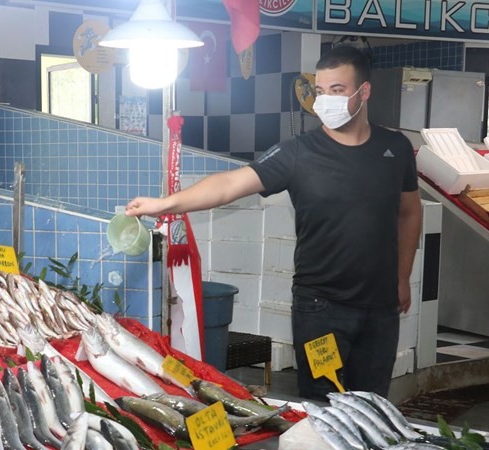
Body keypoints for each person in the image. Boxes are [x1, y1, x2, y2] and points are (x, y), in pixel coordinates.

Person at [124, 45, 422, 400]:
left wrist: (402, 277)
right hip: (320, 308)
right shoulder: (299, 153)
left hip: (380, 309)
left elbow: (409, 212)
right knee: (322, 408)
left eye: (338, 90)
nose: (325, 100)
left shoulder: (396, 148)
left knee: (373, 406)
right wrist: (167, 203)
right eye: (321, 91)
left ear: (364, 91)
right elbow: (230, 184)